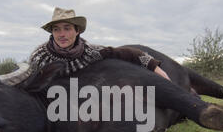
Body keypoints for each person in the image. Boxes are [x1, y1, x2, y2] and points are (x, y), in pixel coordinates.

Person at [24, 7, 170, 80]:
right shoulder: (39, 57)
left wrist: (155, 68)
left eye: (67, 28)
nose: (61, 34)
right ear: (52, 33)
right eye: (56, 29)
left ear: (78, 31)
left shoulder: (90, 52)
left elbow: (127, 53)